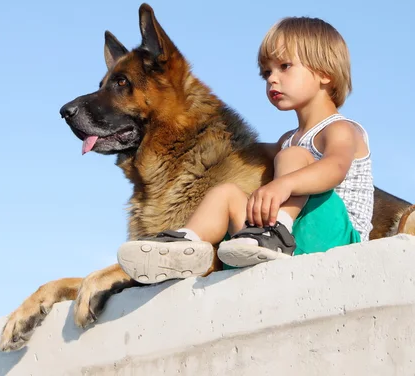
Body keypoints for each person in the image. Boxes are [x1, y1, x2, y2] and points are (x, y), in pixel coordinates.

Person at [116, 16, 374, 284]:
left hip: (339, 239)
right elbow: (242, 152)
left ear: (325, 73)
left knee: (293, 157)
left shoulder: (342, 129)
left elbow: (335, 169)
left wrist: (283, 185)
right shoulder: (289, 138)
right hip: (294, 243)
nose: (272, 79)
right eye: (266, 72)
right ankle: (185, 247)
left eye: (284, 66)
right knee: (226, 193)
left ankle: (276, 234)